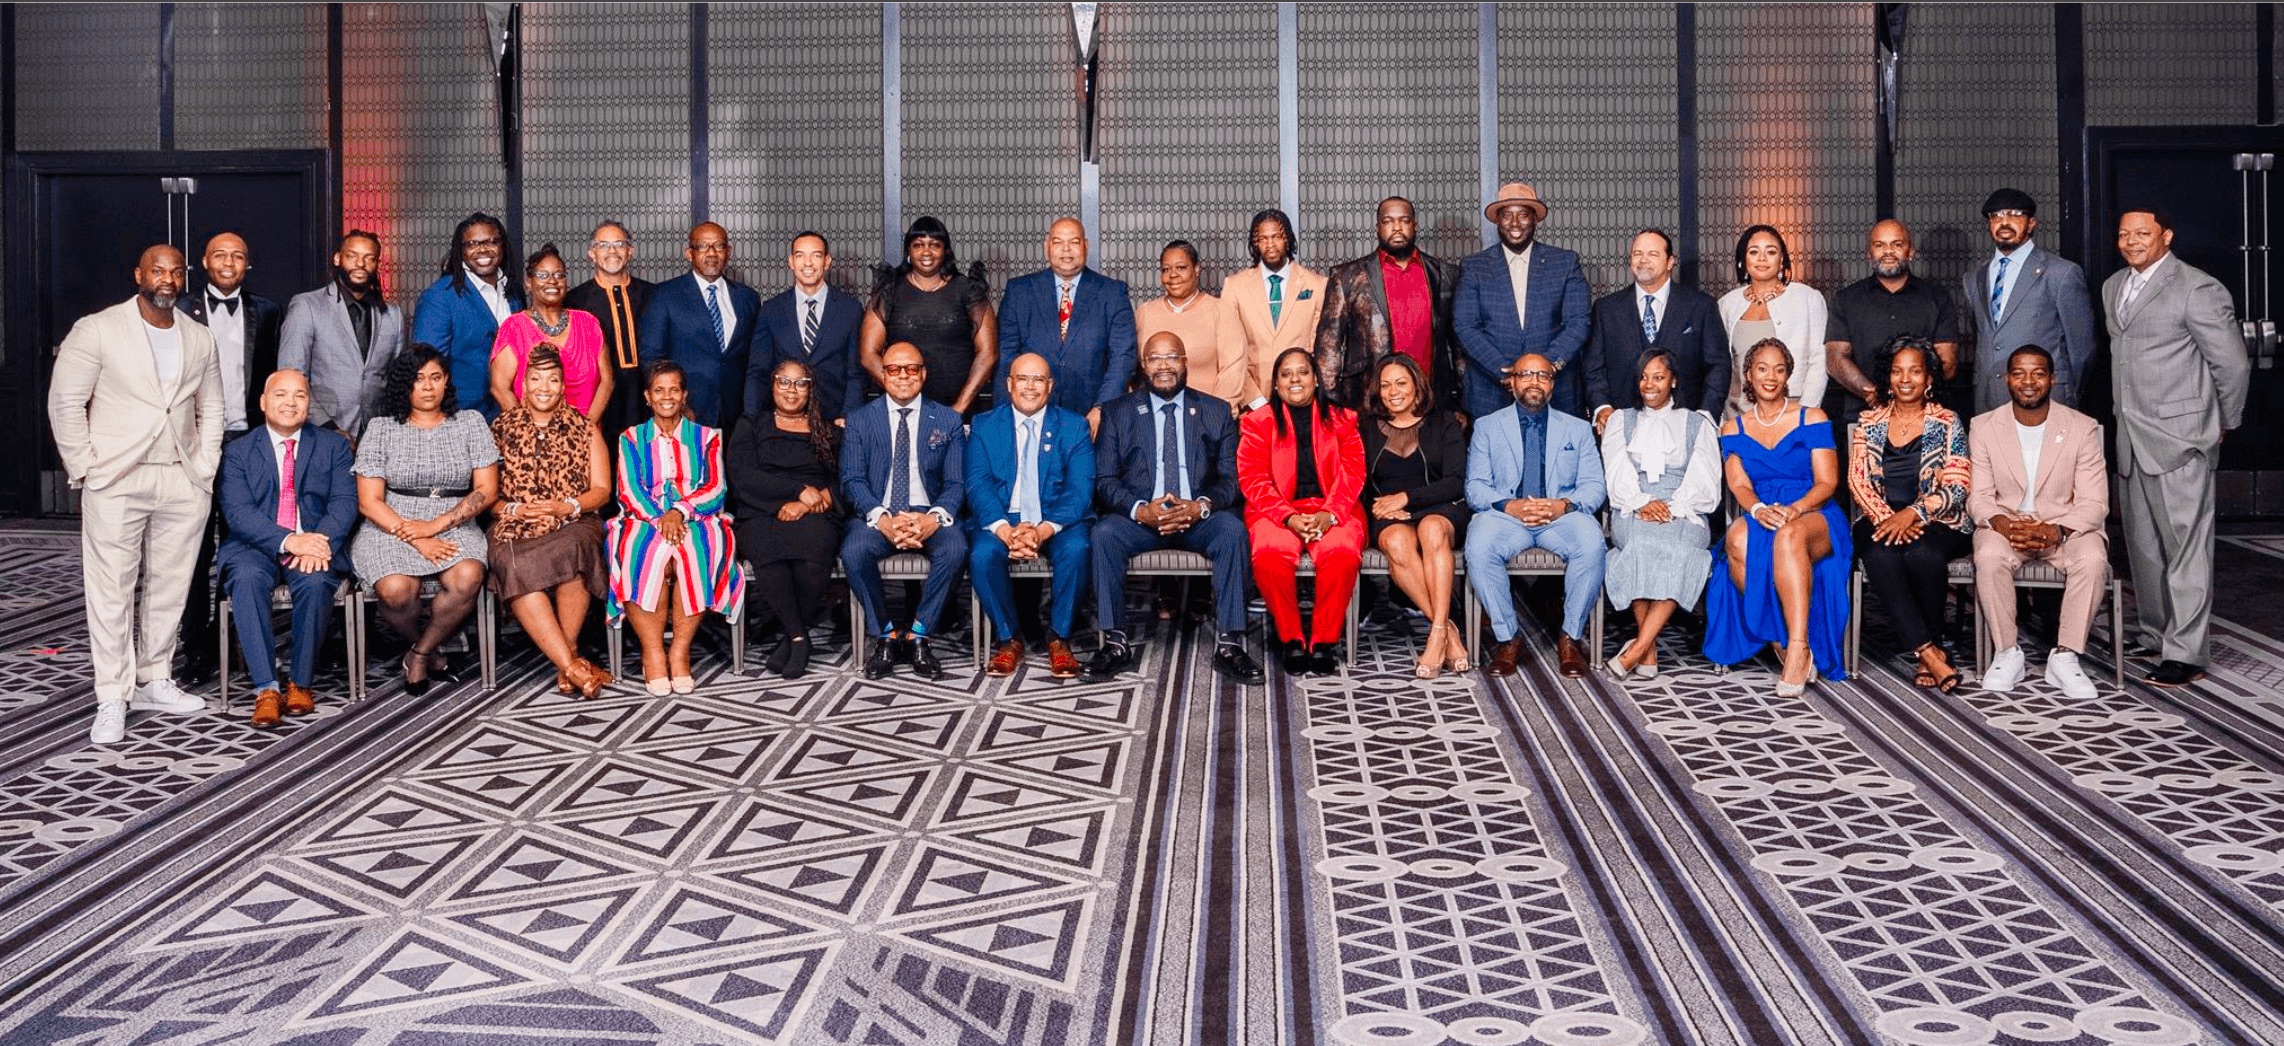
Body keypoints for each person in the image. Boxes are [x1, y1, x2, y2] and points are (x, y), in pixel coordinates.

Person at [46, 244, 225, 744]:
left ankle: (154, 678)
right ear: (139, 275)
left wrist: (204, 467)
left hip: (181, 477)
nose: (167, 279)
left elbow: (212, 408)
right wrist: (85, 467)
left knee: (171, 586)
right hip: (117, 476)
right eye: (157, 270)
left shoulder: (199, 338)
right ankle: (111, 693)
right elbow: (65, 403)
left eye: (175, 271)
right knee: (111, 589)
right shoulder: (98, 328)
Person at [2102, 206, 2252, 688]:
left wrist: (2221, 422)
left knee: (2187, 548)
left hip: (2181, 439)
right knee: (2144, 548)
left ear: (2166, 235)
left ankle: (2186, 651)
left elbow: (2232, 365)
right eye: (2124, 234)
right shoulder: (2113, 287)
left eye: (2142, 233)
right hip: (2131, 438)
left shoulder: (2197, 287)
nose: (2131, 241)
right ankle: (2154, 634)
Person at [1083, 331, 1262, 685]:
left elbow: (1231, 480)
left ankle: (1229, 644)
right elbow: (1104, 479)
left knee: (1233, 531)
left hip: (1196, 517)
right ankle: (1115, 642)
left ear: (1185, 363)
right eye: (1154, 358)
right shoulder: (1118, 413)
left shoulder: (1215, 411)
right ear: (1143, 366)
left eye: (1172, 357)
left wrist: (1201, 507)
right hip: (1142, 519)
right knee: (1103, 534)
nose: (1163, 365)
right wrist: (1140, 510)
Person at [1703, 338, 1852, 693]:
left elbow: (1828, 482)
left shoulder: (1810, 416)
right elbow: (1738, 483)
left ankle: (1799, 648)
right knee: (1737, 538)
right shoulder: (1733, 428)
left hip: (1814, 511)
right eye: (1762, 369)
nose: (1771, 377)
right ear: (1748, 376)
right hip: (1764, 508)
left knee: (1789, 536)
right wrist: (1757, 509)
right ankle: (1780, 640)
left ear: (1788, 376)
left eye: (1779, 369)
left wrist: (1796, 509)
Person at [350, 345, 500, 696]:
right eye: (418, 380)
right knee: (398, 591)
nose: (428, 387)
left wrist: (435, 527)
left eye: (436, 378)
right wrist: (417, 538)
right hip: (391, 522)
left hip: (454, 519)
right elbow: (369, 502)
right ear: (405, 386)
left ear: (447, 381)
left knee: (467, 577)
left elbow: (486, 491)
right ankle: (428, 643)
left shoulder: (471, 423)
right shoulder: (381, 428)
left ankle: (419, 654)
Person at [1968, 346, 2109, 701]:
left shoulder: (2081, 427)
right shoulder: (1984, 427)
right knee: (1988, 556)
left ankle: (2066, 655)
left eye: (2038, 373)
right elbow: (1979, 496)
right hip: (2007, 527)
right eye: (2019, 373)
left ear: (2052, 379)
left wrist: (2057, 530)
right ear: (2007, 379)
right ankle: (2007, 652)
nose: (2028, 382)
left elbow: (2095, 502)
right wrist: (2000, 522)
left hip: (2065, 527)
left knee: (2092, 558)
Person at [218, 370, 358, 727]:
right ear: (264, 403)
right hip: (256, 545)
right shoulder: (237, 451)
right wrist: (288, 540)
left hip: (314, 543)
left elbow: (344, 503)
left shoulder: (333, 446)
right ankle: (266, 688)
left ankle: (300, 682)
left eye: (300, 395)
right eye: (281, 395)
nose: (290, 403)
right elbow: (237, 511)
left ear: (309, 404)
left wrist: (318, 541)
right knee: (247, 580)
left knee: (314, 582)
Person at [178, 230, 286, 684]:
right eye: (220, 254)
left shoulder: (268, 311)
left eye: (237, 255)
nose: (228, 262)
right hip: (195, 443)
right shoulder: (181, 311)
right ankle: (197, 647)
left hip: (248, 442)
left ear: (248, 264)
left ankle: (238, 636)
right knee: (195, 547)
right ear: (205, 261)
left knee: (245, 541)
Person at [1463, 352, 1606, 679]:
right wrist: (1509, 505)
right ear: (1511, 382)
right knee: (1480, 545)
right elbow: (1476, 488)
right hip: (1507, 516)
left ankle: (1570, 636)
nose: (1534, 382)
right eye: (1526, 375)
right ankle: (1507, 637)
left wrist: (1563, 505)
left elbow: (1594, 487)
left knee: (1592, 543)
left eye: (1543, 376)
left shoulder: (1578, 429)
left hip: (1560, 516)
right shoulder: (1487, 427)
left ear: (1552, 386)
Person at [608, 361, 745, 695]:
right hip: (644, 517)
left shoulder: (707, 437)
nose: (666, 396)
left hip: (696, 516)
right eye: (659, 390)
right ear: (647, 396)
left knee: (697, 549)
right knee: (641, 550)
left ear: (683, 395)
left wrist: (680, 512)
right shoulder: (631, 438)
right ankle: (653, 651)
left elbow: (716, 487)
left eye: (673, 389)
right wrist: (660, 518)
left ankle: (680, 651)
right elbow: (629, 489)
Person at [1846, 336, 1973, 692]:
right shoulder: (1869, 421)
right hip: (1877, 517)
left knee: (1922, 554)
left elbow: (1958, 485)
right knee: (1879, 555)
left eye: (1915, 371)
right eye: (1898, 371)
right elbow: (1857, 481)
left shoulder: (1948, 422)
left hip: (1938, 521)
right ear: (1888, 377)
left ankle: (1928, 647)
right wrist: (1888, 517)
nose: (1906, 379)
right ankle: (1929, 653)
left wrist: (1913, 514)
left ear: (1929, 378)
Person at [489, 346, 614, 700]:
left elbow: (602, 490)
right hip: (516, 524)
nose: (544, 386)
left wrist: (566, 506)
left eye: (553, 379)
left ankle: (565, 662)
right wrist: (513, 511)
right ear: (522, 385)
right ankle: (572, 666)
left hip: (572, 520)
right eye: (535, 378)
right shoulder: (500, 428)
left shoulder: (584, 427)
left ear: (563, 386)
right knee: (516, 563)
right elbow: (486, 496)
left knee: (575, 551)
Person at [841, 343, 968, 680]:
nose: (902, 376)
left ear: (923, 374)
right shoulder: (859, 420)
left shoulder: (947, 419)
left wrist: (933, 518)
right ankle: (885, 635)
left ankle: (919, 635)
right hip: (878, 513)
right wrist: (881, 518)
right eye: (894, 369)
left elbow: (956, 482)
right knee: (854, 552)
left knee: (956, 548)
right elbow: (852, 479)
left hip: (929, 513)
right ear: (883, 375)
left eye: (911, 369)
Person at [967, 353, 1097, 678]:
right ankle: (1009, 639)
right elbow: (977, 484)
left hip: (1055, 518)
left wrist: (1043, 530)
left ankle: (1059, 638)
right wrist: (1004, 531)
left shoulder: (1073, 426)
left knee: (1077, 549)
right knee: (982, 554)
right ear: (1009, 384)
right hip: (1003, 517)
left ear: (1050, 386)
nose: (1030, 386)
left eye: (1038, 379)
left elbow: (1080, 489)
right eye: (1022, 379)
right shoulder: (985, 426)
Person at [1238, 348, 1366, 676]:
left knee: (1341, 551)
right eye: (1286, 374)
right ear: (1277, 384)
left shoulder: (1343, 419)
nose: (1295, 379)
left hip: (1333, 507)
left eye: (1303, 372)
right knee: (1269, 552)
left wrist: (1330, 514)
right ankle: (1291, 637)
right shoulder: (1257, 423)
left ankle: (1323, 640)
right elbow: (1252, 478)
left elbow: (1353, 472)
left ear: (1315, 379)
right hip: (1277, 511)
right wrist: (1289, 518)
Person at [1600, 350, 1722, 681]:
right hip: (1632, 505)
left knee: (1680, 549)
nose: (1649, 384)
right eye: (1643, 377)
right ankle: (1648, 646)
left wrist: (1674, 507)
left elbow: (1705, 478)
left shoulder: (1697, 423)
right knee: (1639, 543)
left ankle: (1639, 649)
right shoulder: (1620, 420)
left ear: (1673, 381)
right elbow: (1616, 472)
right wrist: (1641, 501)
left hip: (1685, 507)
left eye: (1658, 377)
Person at [726, 359, 844, 680]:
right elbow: (742, 476)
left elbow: (845, 479)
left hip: (815, 510)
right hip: (762, 509)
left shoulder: (828, 430)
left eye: (800, 383)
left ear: (810, 389)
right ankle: (798, 636)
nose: (792, 391)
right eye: (784, 382)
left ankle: (792, 636)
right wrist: (796, 490)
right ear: (772, 385)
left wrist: (806, 503)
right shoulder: (751, 424)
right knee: (766, 545)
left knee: (817, 544)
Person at [1359, 354, 1470, 678]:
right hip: (1390, 513)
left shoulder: (1444, 422)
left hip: (1440, 506)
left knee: (1432, 530)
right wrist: (1381, 505)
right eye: (1386, 384)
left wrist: (1409, 498)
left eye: (1401, 383)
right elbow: (1358, 482)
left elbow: (1455, 481)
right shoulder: (1365, 428)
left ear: (1417, 387)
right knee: (1395, 541)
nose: (1394, 391)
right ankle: (1447, 629)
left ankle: (1436, 633)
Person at [1452, 182, 1592, 418]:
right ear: (1497, 220)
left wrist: (1539, 371)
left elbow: (1578, 322)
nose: (1515, 223)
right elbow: (1465, 326)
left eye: (1523, 215)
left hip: (1555, 389)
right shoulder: (1474, 266)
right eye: (1507, 215)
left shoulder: (1565, 263)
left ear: (1535, 219)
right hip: (1492, 389)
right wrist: (1505, 372)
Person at [1315, 196, 1464, 412]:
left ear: (1415, 225)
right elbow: (1329, 344)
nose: (1396, 227)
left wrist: (1460, 399)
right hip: (1369, 399)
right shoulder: (1348, 277)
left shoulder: (1445, 273)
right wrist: (1333, 402)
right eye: (1388, 221)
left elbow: (1458, 344)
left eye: (1404, 220)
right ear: (1377, 228)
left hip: (1431, 398)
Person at [996, 218, 1136, 434]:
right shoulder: (1019, 291)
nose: (1066, 250)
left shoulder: (1112, 293)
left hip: (1092, 418)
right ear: (1047, 246)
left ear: (1086, 246)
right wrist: (1007, 414)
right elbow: (1007, 357)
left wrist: (1102, 408)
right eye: (1058, 242)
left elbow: (1122, 358)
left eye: (1074, 242)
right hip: (1032, 415)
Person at [1964, 189, 2096, 414]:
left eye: (2015, 215)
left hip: (2046, 400)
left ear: (2032, 223)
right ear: (1989, 224)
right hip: (1989, 401)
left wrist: (2066, 391)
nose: (2004, 222)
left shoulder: (2061, 273)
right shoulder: (1973, 278)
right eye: (1996, 216)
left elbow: (2082, 350)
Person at [1585, 228, 1729, 429]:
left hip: (1685, 424)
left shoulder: (1701, 306)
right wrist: (1602, 407)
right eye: (1637, 253)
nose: (1643, 260)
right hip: (1622, 425)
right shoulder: (1606, 308)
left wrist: (1705, 415)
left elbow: (1718, 365)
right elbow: (1593, 367)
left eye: (1653, 254)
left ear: (1671, 261)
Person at [1824, 219, 1961, 426]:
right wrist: (1873, 394)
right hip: (1863, 416)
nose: (1888, 252)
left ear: (1911, 252)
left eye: (1897, 244)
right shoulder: (1845, 300)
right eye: (1880, 245)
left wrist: (1909, 399)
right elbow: (1835, 360)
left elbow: (1947, 364)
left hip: (1926, 418)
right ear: (1868, 254)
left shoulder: (1937, 298)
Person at [861, 216, 996, 416]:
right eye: (918, 245)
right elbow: (868, 355)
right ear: (908, 251)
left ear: (945, 250)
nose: (926, 252)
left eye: (934, 245)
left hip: (959, 408)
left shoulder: (968, 290)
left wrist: (957, 410)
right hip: (903, 408)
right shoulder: (890, 291)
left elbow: (987, 354)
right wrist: (904, 390)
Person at [279, 229, 404, 440]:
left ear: (376, 264)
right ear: (337, 258)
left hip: (379, 434)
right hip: (321, 430)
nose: (360, 264)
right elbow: (291, 375)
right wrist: (327, 427)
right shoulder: (307, 306)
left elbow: (399, 378)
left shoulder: (393, 314)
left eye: (369, 258)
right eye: (352, 256)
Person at [637, 222, 762, 429]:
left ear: (728, 252)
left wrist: (753, 407)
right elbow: (651, 358)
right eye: (703, 246)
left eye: (719, 246)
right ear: (689, 253)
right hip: (686, 411)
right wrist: (674, 403)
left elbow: (755, 359)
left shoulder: (747, 298)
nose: (711, 253)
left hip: (737, 414)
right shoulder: (664, 295)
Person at [742, 231, 864, 428]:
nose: (808, 263)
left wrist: (848, 416)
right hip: (783, 422)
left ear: (827, 261)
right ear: (791, 261)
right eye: (800, 255)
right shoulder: (771, 310)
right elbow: (758, 371)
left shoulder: (850, 309)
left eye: (816, 255)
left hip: (833, 420)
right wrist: (752, 420)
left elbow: (855, 372)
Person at [413, 212, 521, 421]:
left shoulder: (514, 292)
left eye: (491, 241)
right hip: (461, 417)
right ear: (460, 251)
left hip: (510, 413)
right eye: (472, 244)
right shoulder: (439, 298)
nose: (482, 249)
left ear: (502, 246)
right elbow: (427, 366)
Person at [490, 244, 610, 422]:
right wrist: (529, 430)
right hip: (533, 439)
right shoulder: (514, 328)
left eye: (559, 275)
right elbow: (499, 387)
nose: (552, 281)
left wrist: (586, 429)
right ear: (528, 283)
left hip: (587, 433)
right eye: (542, 275)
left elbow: (607, 380)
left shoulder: (588, 323)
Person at [1221, 209, 1328, 410]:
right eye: (1263, 239)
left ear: (1287, 238)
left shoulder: (1317, 284)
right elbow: (1230, 353)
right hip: (1252, 403)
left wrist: (1303, 393)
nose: (1270, 245)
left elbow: (1319, 349)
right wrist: (1256, 402)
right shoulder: (1234, 286)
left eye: (1276, 237)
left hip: (1302, 400)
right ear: (1255, 243)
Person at [1716, 225, 1827, 417]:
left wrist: (1805, 412)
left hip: (1792, 408)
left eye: (1771, 252)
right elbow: (1721, 363)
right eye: (1753, 252)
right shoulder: (1727, 303)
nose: (1762, 258)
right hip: (1737, 412)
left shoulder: (1808, 298)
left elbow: (1820, 358)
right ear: (1744, 259)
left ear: (1782, 258)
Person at [563, 219, 655, 441]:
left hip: (647, 399)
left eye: (619, 244)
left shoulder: (654, 295)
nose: (612, 251)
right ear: (591, 253)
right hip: (598, 401)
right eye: (603, 245)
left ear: (630, 252)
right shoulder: (574, 301)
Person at [1135, 241, 1242, 407]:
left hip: (1207, 417)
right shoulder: (1144, 313)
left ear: (1196, 269)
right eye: (1166, 269)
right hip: (1153, 418)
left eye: (1181, 267)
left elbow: (1233, 371)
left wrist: (1214, 415)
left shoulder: (1220, 311)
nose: (1173, 275)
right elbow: (1132, 369)